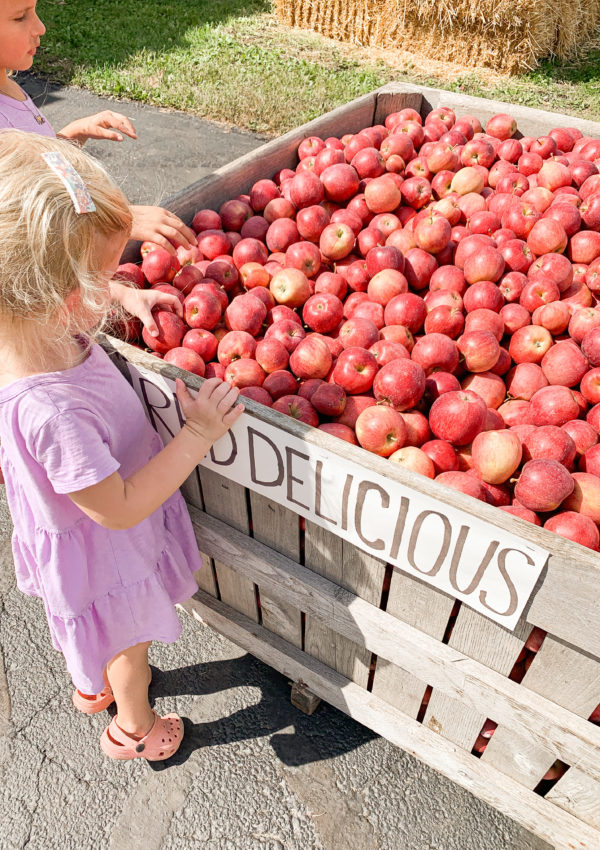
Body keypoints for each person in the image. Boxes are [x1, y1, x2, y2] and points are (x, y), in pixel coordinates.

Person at [0, 129, 244, 760]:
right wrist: (195, 436)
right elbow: (119, 508)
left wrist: (125, 294)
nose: (111, 285)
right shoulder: (54, 411)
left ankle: (90, 682)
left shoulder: (25, 329)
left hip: (73, 532)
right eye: (105, 275)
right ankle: (133, 728)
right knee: (124, 642)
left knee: (93, 632)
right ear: (62, 298)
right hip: (105, 546)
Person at [0, 0, 197, 256]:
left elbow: (41, 172)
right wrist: (116, 219)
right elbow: (30, 221)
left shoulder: (9, 88)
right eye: (20, 17)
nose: (40, 27)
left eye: (35, 10)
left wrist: (71, 136)